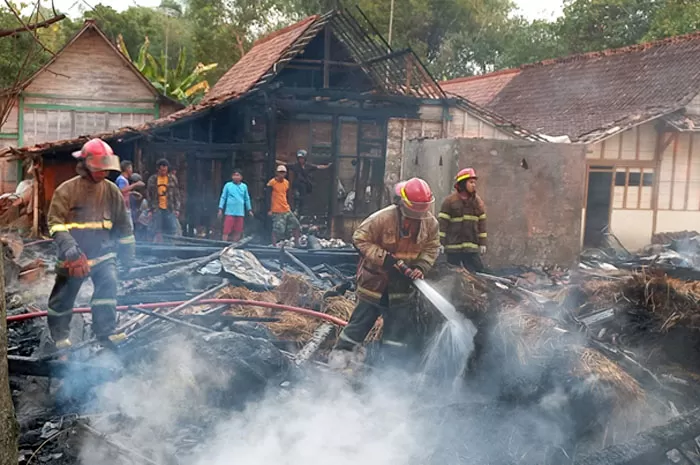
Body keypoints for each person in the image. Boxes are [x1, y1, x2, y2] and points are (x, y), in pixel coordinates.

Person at [329, 177, 440, 371]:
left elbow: (432, 248)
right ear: (404, 203)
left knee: (396, 335)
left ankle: (388, 372)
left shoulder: (430, 223)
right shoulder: (382, 218)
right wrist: (385, 259)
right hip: (375, 284)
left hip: (402, 288)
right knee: (358, 326)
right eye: (415, 208)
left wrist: (421, 267)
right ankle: (338, 364)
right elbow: (359, 239)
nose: (419, 214)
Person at [46, 138, 135, 350]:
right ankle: (59, 337)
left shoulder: (112, 191)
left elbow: (124, 227)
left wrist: (128, 255)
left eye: (106, 170)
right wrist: (69, 249)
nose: (103, 174)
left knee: (108, 288)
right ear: (85, 164)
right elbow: (55, 223)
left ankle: (105, 332)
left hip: (104, 255)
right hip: (73, 257)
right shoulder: (66, 191)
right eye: (99, 169)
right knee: (63, 298)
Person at [438, 168, 487, 273]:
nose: (474, 185)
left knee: (478, 273)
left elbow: (482, 224)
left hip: (471, 249)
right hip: (453, 248)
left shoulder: (478, 202)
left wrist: (482, 243)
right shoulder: (449, 202)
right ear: (463, 183)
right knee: (452, 274)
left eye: (474, 182)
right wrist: (440, 243)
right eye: (471, 182)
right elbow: (442, 225)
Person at [287, 149, 331, 216]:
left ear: (305, 158)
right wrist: (274, 160)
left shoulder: (308, 166)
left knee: (303, 199)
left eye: (302, 158)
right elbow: (286, 164)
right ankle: (295, 210)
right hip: (297, 185)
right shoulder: (295, 166)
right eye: (299, 158)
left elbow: (318, 167)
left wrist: (327, 166)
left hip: (304, 185)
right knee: (297, 196)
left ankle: (301, 212)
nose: (301, 160)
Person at [147, 158, 181, 242]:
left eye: (165, 170)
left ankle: (170, 248)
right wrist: (150, 209)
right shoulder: (152, 179)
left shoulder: (172, 179)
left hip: (169, 208)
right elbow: (149, 195)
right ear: (158, 169)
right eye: (162, 170)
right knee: (155, 229)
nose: (164, 172)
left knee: (171, 229)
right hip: (157, 208)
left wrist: (177, 208)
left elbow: (177, 194)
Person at [267, 165, 301, 246]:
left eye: (283, 173)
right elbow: (267, 196)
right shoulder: (272, 183)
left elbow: (288, 195)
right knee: (278, 229)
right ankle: (274, 245)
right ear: (277, 173)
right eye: (280, 172)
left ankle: (297, 243)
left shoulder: (286, 183)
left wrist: (291, 206)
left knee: (296, 224)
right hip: (277, 209)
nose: (281, 174)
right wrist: (269, 209)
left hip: (286, 208)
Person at [217, 169, 254, 242]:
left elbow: (247, 198)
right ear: (232, 176)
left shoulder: (244, 186)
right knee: (226, 230)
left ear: (241, 177)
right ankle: (224, 245)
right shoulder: (228, 185)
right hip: (229, 212)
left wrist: (249, 210)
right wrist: (220, 209)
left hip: (240, 212)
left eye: (238, 175)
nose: (236, 177)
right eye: (234, 175)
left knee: (238, 231)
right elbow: (223, 197)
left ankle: (234, 247)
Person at [115, 161, 144, 229]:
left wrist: (132, 193)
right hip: (122, 208)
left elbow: (123, 192)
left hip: (126, 207)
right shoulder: (121, 179)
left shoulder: (124, 180)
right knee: (128, 228)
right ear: (127, 168)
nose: (132, 170)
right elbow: (121, 190)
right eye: (131, 168)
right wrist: (135, 184)